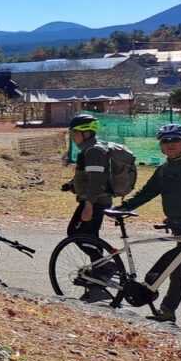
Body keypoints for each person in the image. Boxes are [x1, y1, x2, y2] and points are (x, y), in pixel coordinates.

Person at [118, 124, 181, 323]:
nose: (170, 144)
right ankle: (167, 311)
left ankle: (161, 303)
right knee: (178, 270)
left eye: (175, 140)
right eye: (165, 141)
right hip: (179, 226)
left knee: (176, 267)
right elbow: (148, 192)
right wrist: (124, 207)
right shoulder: (164, 169)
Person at [63, 114, 119, 302]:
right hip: (94, 200)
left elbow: (96, 180)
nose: (72, 137)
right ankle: (98, 282)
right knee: (89, 237)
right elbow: (88, 175)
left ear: (86, 133)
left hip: (94, 201)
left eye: (75, 133)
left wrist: (88, 204)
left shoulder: (94, 150)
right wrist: (72, 185)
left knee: (76, 233)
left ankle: (106, 267)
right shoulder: (90, 149)